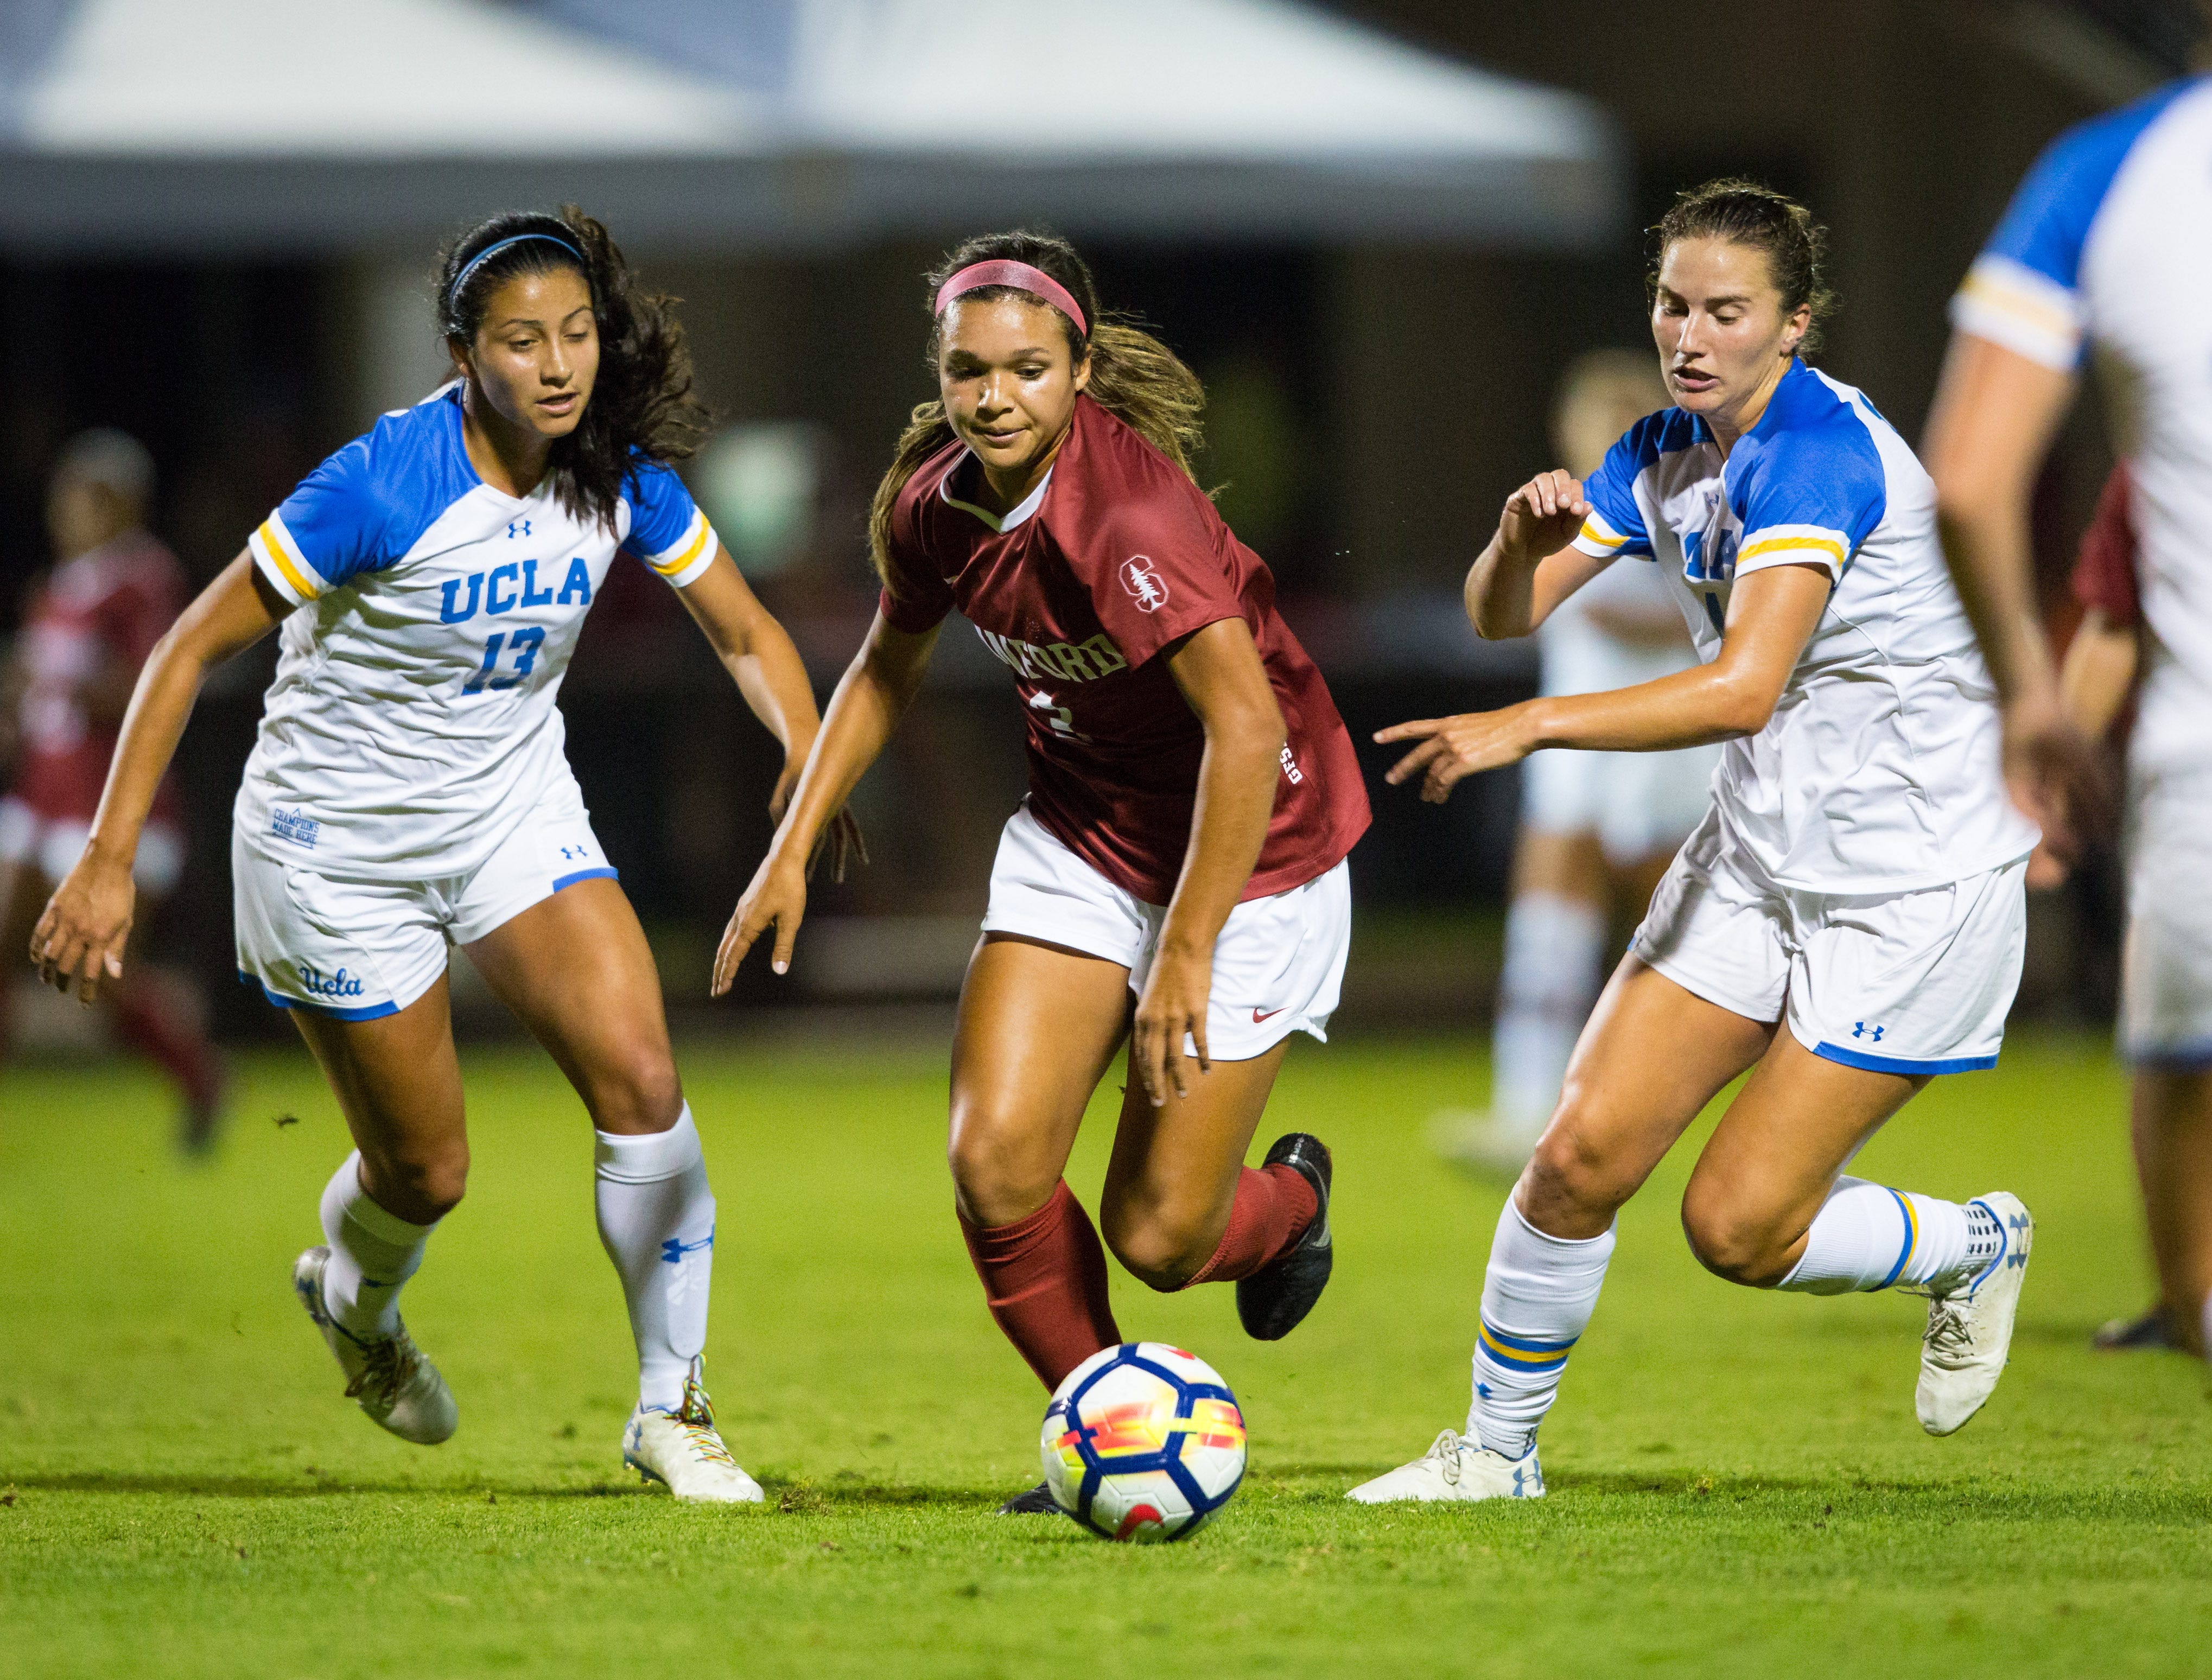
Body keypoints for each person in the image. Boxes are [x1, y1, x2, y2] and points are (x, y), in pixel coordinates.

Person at [29, 207, 848, 1501]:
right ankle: (355, 1300)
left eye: (576, 333)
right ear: (466, 354)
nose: (561, 364)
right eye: (525, 342)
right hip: (333, 851)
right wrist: (108, 859)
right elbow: (186, 649)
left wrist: (803, 788)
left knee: (644, 1078)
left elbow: (746, 635)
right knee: (428, 1171)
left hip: (510, 816)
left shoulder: (619, 468)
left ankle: (670, 1408)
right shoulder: (379, 484)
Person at [1349, 181, 2038, 1505]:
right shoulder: (1661, 446)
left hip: (1911, 885)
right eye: (1675, 304)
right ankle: (1496, 1456)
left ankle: (1972, 1241)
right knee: (1575, 1155)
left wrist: (1530, 726)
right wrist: (1513, 543)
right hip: (1759, 859)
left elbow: (1740, 689)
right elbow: (1503, 615)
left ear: (1795, 329)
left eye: (1728, 311)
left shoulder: (1819, 452)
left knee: (1736, 1228)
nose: (1692, 333)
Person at [713, 231, 1371, 1511]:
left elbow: (1246, 731)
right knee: (996, 1161)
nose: (995, 396)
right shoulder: (932, 502)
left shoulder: (1125, 514)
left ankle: (1291, 1202)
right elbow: (889, 663)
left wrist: (1182, 956)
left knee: (1161, 1238)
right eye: (970, 371)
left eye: (1025, 368)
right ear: (942, 374)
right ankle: (1110, 1424)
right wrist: (791, 843)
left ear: (1078, 368)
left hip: (1253, 858)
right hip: (1084, 839)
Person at [1924, 69, 2212, 1363]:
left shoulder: (2113, 174)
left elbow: (1971, 481)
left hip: (2196, 774)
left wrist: (2034, 718)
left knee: (2176, 1053)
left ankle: (2189, 1298)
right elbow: (2113, 609)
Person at [1432, 352, 1720, 1178]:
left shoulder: (1696, 512)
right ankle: (1523, 1111)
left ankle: (1668, 1105)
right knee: (1547, 937)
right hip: (1568, 748)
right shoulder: (1571, 511)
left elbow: (1702, 618)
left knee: (1674, 942)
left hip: (1666, 749)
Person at [2, 430, 227, 1150]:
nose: (67, 512)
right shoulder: (58, 588)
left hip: (110, 809)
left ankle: (199, 1072)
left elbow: (152, 687)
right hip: (42, 796)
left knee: (93, 980)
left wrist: (57, 683)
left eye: (85, 497)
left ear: (123, 503)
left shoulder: (145, 579)